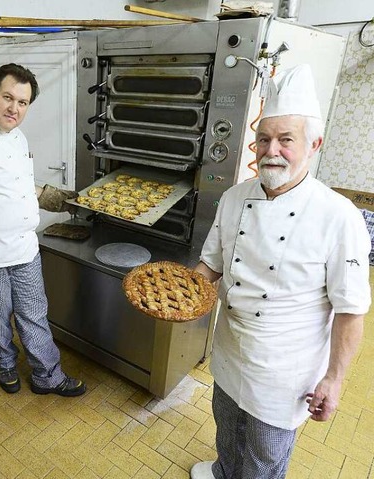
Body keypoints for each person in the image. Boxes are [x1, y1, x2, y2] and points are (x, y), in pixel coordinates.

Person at [190, 64, 371, 479]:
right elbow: (210, 265)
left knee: (264, 458)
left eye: (285, 140)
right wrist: (177, 298)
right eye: (264, 139)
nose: (271, 150)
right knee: (227, 431)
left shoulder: (339, 217)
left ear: (314, 144)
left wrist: (335, 379)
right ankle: (222, 473)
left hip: (284, 370)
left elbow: (350, 309)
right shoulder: (235, 198)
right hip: (231, 347)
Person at [0, 63, 85, 397]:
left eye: (22, 102)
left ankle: (46, 375)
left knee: (34, 312)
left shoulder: (17, 135)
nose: (14, 108)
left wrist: (60, 199)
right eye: (7, 97)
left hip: (23, 248)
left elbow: (17, 187)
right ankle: (5, 362)